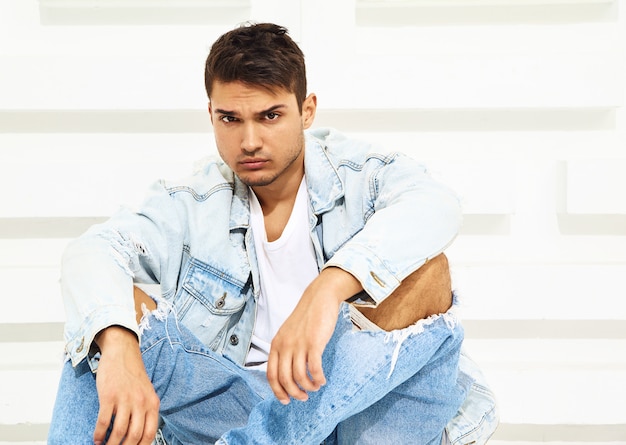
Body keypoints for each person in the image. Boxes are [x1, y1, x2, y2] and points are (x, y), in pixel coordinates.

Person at [48, 22, 498, 444]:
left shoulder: (360, 176)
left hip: (363, 409)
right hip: (240, 411)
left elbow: (437, 206)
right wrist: (118, 346)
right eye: (230, 119)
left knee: (429, 272)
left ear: (307, 111)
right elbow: (92, 252)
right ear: (210, 114)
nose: (248, 141)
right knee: (103, 326)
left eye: (269, 116)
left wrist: (328, 289)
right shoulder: (192, 201)